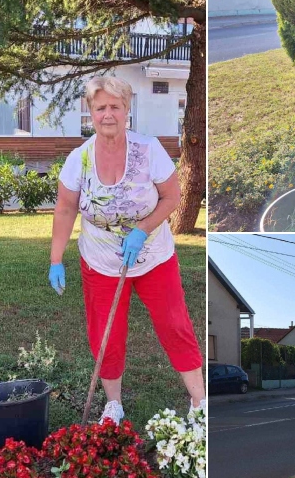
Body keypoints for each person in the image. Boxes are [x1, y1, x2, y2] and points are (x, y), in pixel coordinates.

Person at [49, 77, 205, 425]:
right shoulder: (78, 160)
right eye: (100, 107)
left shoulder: (148, 150)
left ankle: (199, 402)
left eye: (115, 107)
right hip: (100, 260)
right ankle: (113, 404)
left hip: (153, 257)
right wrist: (56, 259)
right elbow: (64, 209)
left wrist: (143, 229)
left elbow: (172, 197)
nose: (108, 114)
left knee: (174, 325)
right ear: (89, 112)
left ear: (126, 110)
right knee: (107, 334)